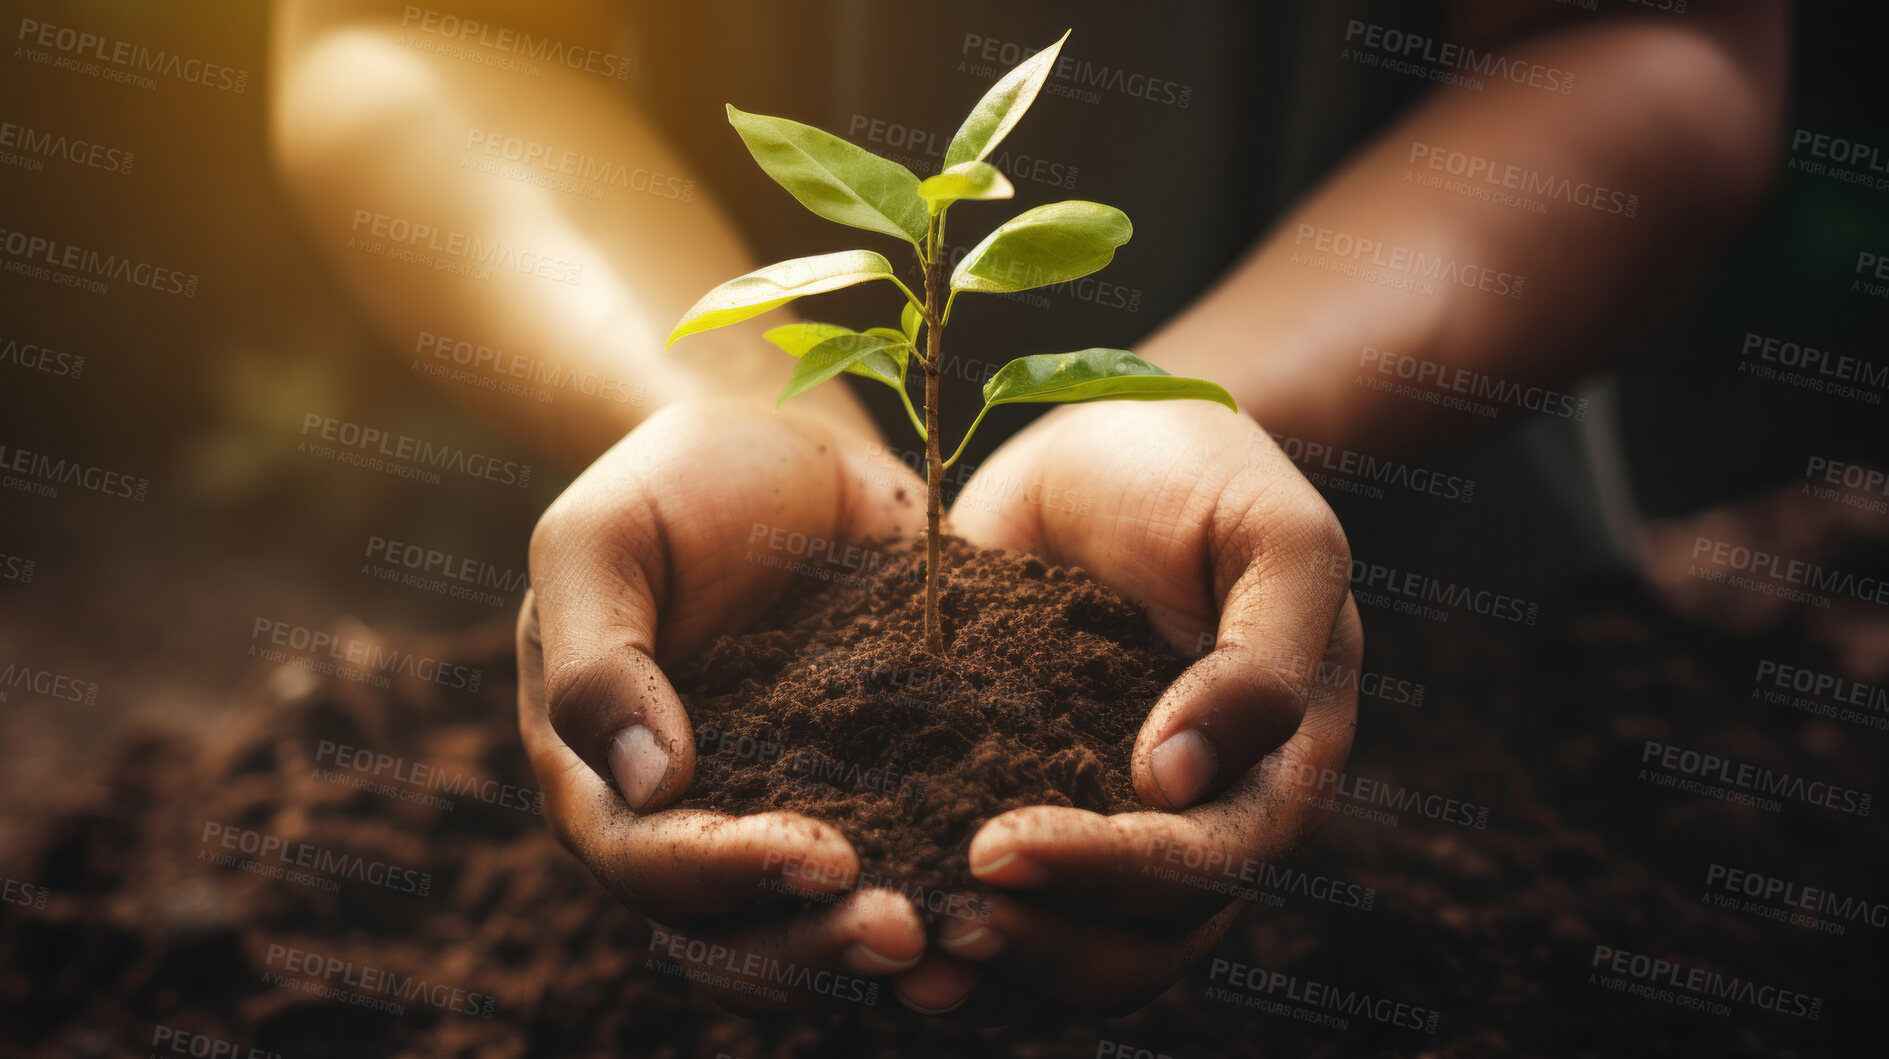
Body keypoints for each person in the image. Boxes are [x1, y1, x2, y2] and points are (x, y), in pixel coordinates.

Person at [270, 0, 1788, 1019]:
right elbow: (384, 30)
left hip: (1454, 604)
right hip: (645, 472)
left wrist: (1211, 407)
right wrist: (710, 400)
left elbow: (1677, 45)